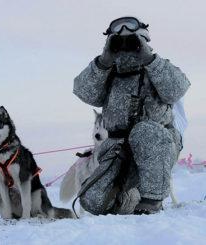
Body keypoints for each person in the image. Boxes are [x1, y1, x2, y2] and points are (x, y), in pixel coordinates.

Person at [73, 17, 190, 215]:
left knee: (144, 131)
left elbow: (177, 89)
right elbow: (83, 91)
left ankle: (151, 200)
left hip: (157, 145)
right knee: (92, 199)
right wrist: (104, 61)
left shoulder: (157, 68)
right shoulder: (108, 74)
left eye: (132, 41)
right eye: (119, 41)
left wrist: (149, 59)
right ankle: (131, 199)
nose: (126, 46)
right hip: (119, 148)